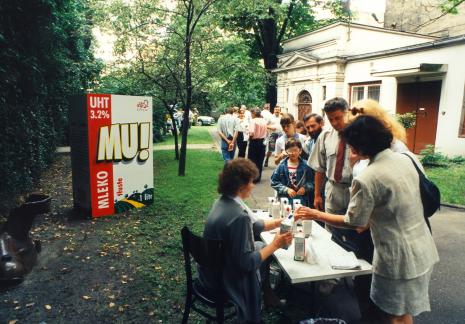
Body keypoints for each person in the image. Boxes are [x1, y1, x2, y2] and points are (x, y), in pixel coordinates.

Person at [295, 115, 439, 324]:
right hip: (422, 247)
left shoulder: (368, 177)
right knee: (403, 311)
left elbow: (355, 222)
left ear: (359, 145)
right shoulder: (407, 158)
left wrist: (314, 214)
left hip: (396, 258)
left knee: (391, 315)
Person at [198, 158, 293, 324]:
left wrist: (280, 221)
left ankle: (268, 295)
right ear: (241, 186)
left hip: (209, 270)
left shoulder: (224, 201)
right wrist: (276, 244)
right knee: (263, 249)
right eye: (251, 182)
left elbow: (256, 226)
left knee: (260, 245)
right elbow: (246, 263)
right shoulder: (239, 217)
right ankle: (253, 315)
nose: (253, 185)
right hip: (221, 280)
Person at [308, 97, 374, 320]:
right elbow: (319, 168)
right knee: (330, 235)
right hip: (333, 189)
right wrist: (317, 194)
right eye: (331, 119)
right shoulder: (326, 136)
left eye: (338, 117)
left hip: (356, 190)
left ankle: (357, 276)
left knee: (358, 232)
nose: (335, 122)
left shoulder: (361, 135)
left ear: (347, 113)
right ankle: (331, 278)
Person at [270, 139, 314, 207]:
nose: (292, 153)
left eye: (295, 150)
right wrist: (286, 189)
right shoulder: (281, 166)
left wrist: (305, 188)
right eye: (290, 150)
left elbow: (312, 181)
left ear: (300, 151)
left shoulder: (306, 165)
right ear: (286, 151)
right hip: (284, 200)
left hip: (301, 200)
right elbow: (274, 181)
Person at [303, 113, 325, 209]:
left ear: (321, 123)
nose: (310, 130)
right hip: (312, 185)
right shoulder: (309, 142)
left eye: (313, 126)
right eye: (308, 128)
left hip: (325, 185)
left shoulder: (327, 140)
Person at [247, 107, 268, 183]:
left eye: (251, 114)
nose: (251, 115)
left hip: (254, 142)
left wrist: (249, 138)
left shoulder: (253, 121)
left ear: (254, 113)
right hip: (262, 142)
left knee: (252, 160)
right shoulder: (264, 121)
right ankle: (258, 177)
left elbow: (251, 133)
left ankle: (252, 178)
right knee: (260, 160)